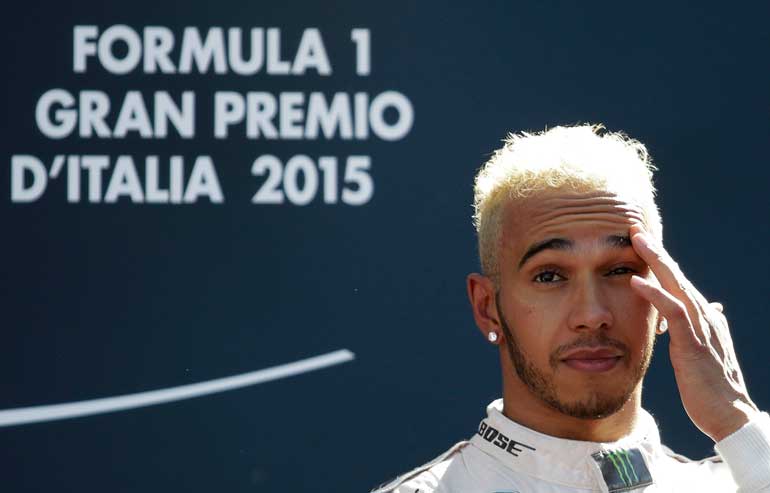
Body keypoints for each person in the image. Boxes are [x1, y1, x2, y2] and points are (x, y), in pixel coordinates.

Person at [372, 125, 770, 492]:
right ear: (487, 307)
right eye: (549, 276)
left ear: (666, 295)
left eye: (618, 270)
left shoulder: (739, 480)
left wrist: (738, 421)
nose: (592, 314)